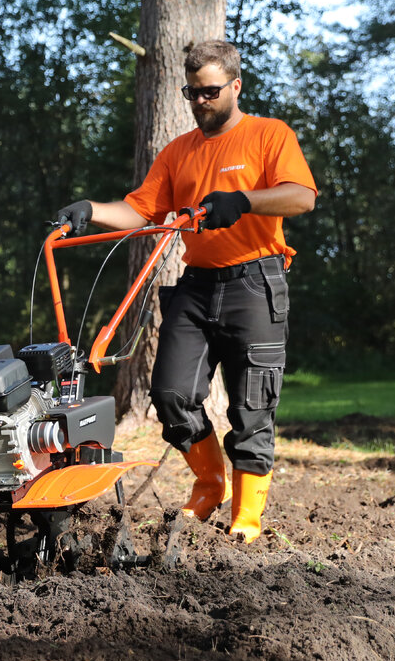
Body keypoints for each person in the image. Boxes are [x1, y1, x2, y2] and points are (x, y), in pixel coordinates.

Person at [55, 41, 316, 543]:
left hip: (255, 283)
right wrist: (90, 208)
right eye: (191, 93)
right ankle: (209, 484)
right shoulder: (178, 152)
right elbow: (140, 210)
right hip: (196, 288)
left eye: (210, 92)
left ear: (235, 86)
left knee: (251, 408)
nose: (200, 102)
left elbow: (301, 196)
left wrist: (242, 201)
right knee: (171, 395)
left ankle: (247, 517)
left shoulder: (268, 135)